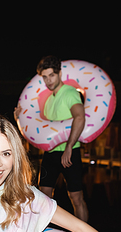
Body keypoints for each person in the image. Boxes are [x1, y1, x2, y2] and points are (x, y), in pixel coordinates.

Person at [15, 55, 88, 222]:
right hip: (50, 153)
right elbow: (40, 128)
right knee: (44, 196)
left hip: (70, 151)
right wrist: (20, 118)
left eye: (51, 75)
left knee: (76, 197)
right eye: (45, 77)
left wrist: (69, 146)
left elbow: (80, 117)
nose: (48, 80)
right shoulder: (48, 99)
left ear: (59, 73)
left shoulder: (69, 93)